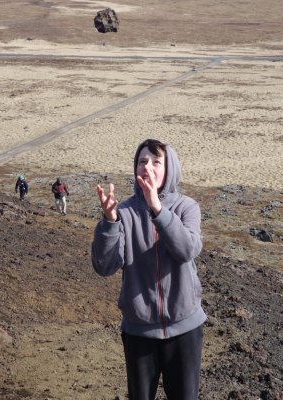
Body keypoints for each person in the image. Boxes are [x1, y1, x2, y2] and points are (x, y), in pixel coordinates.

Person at [92, 139, 205, 400]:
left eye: (156, 162)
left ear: (170, 169)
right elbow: (104, 266)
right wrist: (109, 223)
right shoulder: (124, 212)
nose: (148, 167)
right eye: (142, 161)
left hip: (185, 328)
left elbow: (186, 250)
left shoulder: (186, 207)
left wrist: (158, 208)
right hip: (139, 332)